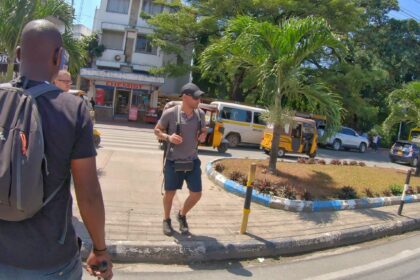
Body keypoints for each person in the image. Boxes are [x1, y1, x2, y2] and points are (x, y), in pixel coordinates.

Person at [0, 20, 112, 279]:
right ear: (58, 56)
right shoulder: (72, 110)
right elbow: (89, 192)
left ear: (18, 54)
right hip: (48, 260)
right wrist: (100, 249)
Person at [154, 83, 207, 236]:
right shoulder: (170, 113)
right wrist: (168, 137)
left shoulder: (200, 114)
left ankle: (182, 214)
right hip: (173, 162)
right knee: (169, 193)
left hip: (192, 161)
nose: (199, 100)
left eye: (200, 97)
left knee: (196, 194)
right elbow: (157, 130)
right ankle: (166, 220)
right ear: (185, 97)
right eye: (196, 97)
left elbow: (203, 129)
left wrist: (203, 134)